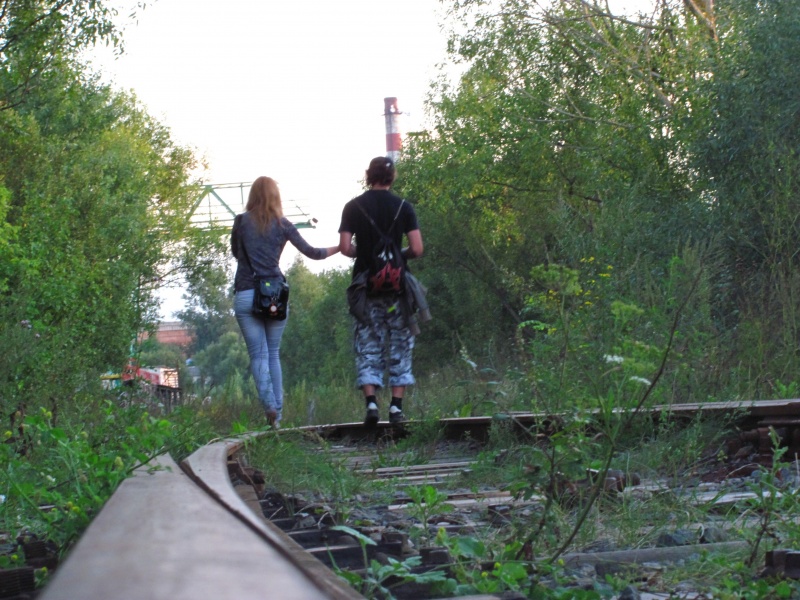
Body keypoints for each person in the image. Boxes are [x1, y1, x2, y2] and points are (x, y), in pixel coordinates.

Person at [232, 176, 339, 427]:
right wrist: (341, 248)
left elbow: (236, 253)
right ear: (275, 196)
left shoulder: (241, 222)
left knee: (257, 356)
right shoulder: (283, 225)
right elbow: (313, 253)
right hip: (273, 296)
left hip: (246, 293)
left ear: (253, 195)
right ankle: (277, 417)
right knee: (273, 354)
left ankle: (269, 405)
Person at [338, 157, 424, 426]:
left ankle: (372, 403)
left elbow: (344, 247)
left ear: (368, 176)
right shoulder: (404, 207)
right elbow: (418, 249)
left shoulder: (353, 207)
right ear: (392, 177)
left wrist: (364, 254)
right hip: (398, 287)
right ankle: (396, 408)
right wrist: (398, 256)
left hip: (366, 285)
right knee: (400, 341)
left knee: (367, 343)